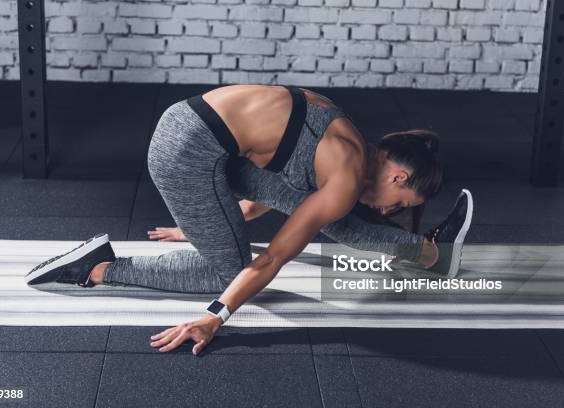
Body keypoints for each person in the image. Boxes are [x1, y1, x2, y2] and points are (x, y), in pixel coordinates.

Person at [24, 84, 473, 355]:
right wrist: (215, 316)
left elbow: (274, 188)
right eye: (398, 203)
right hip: (186, 154)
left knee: (335, 219)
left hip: (191, 130)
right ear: (398, 174)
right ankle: (97, 268)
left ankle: (434, 253)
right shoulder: (345, 175)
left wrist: (204, 223)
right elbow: (275, 256)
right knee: (228, 272)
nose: (387, 211)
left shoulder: (346, 135)